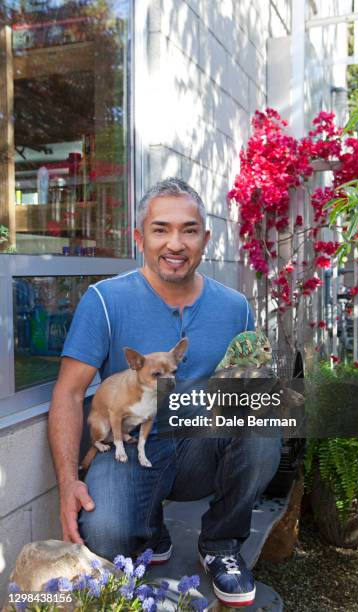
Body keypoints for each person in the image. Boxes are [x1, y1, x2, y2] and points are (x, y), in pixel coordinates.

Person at [48, 177, 282, 607]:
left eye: (189, 230)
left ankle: (221, 543)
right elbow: (67, 393)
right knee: (105, 536)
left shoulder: (236, 308)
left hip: (199, 450)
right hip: (134, 445)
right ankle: (150, 527)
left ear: (204, 239)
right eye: (160, 229)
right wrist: (67, 483)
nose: (175, 243)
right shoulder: (104, 300)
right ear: (140, 237)